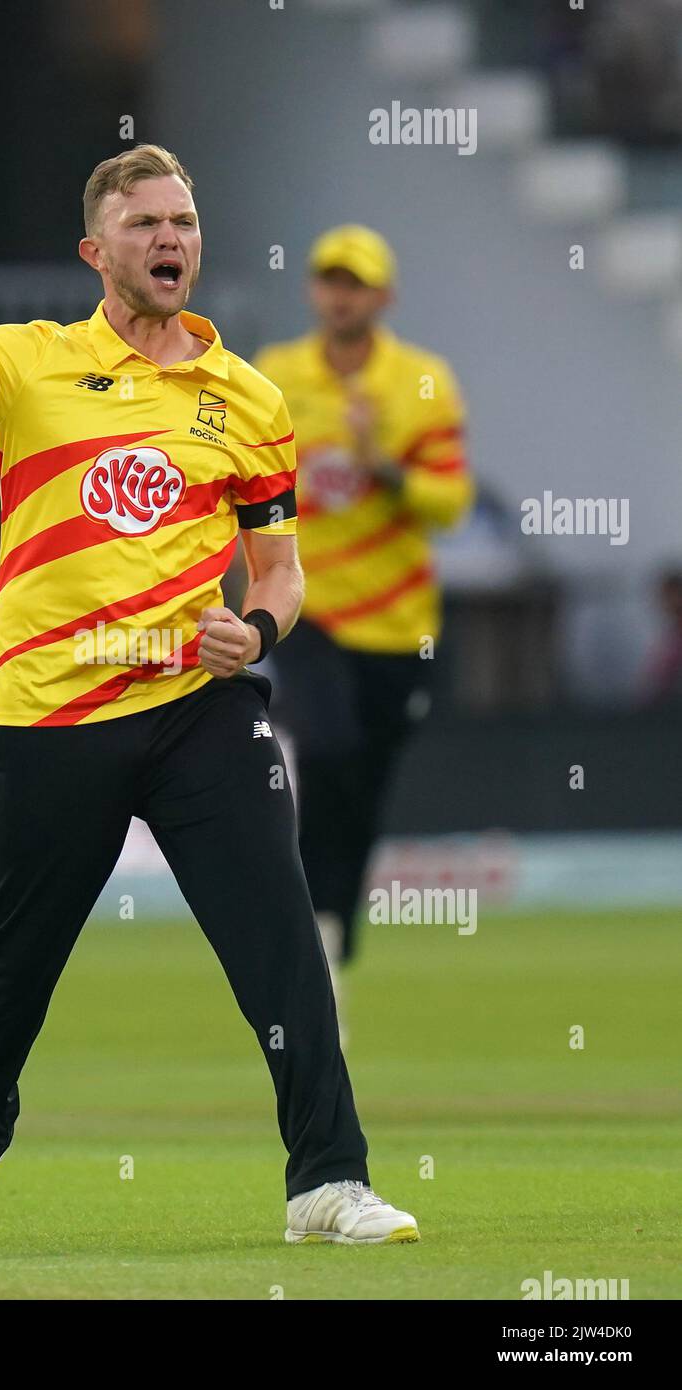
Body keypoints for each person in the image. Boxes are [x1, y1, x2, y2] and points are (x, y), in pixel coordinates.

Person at [0, 149, 418, 1246]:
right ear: (99, 253)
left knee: (281, 938)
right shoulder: (23, 362)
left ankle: (328, 1181)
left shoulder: (249, 400)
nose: (169, 239)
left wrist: (263, 628)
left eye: (183, 220)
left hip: (199, 708)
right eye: (144, 223)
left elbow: (279, 572)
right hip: (50, 716)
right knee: (14, 975)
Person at [253, 226, 473, 1038]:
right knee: (331, 749)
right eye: (328, 280)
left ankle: (334, 947)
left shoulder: (420, 381)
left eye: (356, 283)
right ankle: (317, 957)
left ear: (383, 297)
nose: (340, 295)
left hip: (399, 625)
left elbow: (450, 502)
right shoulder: (278, 374)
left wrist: (383, 462)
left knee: (364, 790)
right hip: (308, 608)